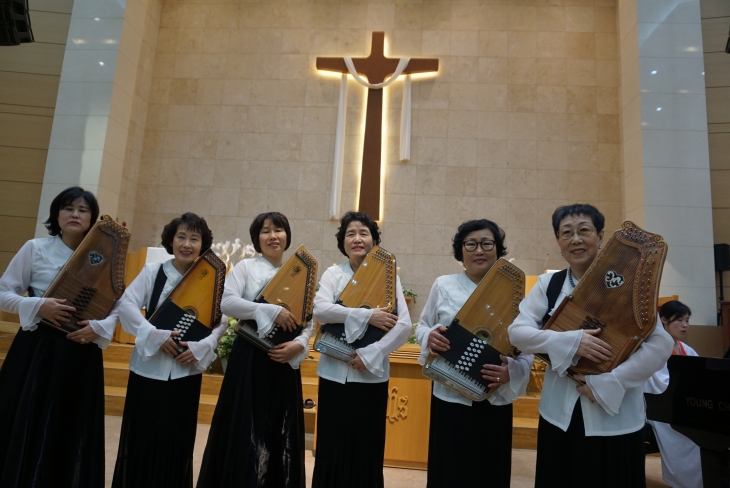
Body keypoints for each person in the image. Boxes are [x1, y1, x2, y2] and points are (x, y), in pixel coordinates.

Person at [507, 203, 673, 487]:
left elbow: (661, 343)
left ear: (600, 236)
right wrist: (570, 341)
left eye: (584, 230)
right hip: (559, 416)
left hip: (615, 419)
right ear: (558, 241)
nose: (576, 239)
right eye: (566, 233)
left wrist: (614, 381)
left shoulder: (630, 285)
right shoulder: (549, 285)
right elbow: (517, 333)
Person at [0, 186, 118, 488]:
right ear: (57, 214)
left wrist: (100, 328)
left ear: (92, 218)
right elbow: (3, 293)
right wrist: (38, 305)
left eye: (83, 210)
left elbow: (120, 305)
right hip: (38, 349)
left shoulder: (104, 256)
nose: (75, 214)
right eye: (68, 208)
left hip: (81, 348)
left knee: (71, 423)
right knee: (30, 418)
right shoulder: (35, 248)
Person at [196, 212, 312, 488]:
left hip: (284, 360)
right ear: (256, 239)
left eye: (278, 230)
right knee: (245, 428)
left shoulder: (300, 274)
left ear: (287, 236)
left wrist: (299, 344)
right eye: (265, 231)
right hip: (249, 359)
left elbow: (309, 320)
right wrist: (270, 310)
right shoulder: (246, 268)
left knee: (279, 430)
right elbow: (227, 303)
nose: (273, 236)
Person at [415, 219, 533, 488]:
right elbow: (422, 326)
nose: (479, 250)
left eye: (487, 244)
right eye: (471, 244)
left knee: (489, 472)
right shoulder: (443, 285)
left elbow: (526, 348)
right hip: (449, 394)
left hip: (493, 400)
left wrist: (512, 372)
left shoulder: (514, 293)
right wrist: (428, 336)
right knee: (449, 471)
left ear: (498, 249)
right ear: (461, 250)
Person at [112, 212, 226, 488]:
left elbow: (221, 320)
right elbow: (126, 305)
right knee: (142, 440)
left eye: (194, 239)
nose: (187, 244)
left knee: (178, 443)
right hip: (148, 371)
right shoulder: (154, 272)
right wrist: (154, 335)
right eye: (181, 237)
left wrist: (203, 346)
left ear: (203, 244)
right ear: (170, 241)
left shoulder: (210, 279)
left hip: (185, 372)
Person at [311, 211, 411, 488]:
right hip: (333, 375)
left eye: (364, 233)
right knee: (332, 445)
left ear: (374, 241)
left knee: (367, 447)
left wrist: (370, 354)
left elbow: (403, 325)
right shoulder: (334, 274)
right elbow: (321, 310)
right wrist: (367, 315)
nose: (357, 239)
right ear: (343, 242)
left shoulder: (389, 277)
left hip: (371, 376)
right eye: (350, 234)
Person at [644, 300, 702, 488]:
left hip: (684, 403)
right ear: (663, 320)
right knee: (686, 431)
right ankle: (685, 481)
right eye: (679, 320)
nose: (685, 325)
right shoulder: (654, 348)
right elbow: (658, 383)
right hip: (661, 406)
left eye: (687, 320)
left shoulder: (687, 350)